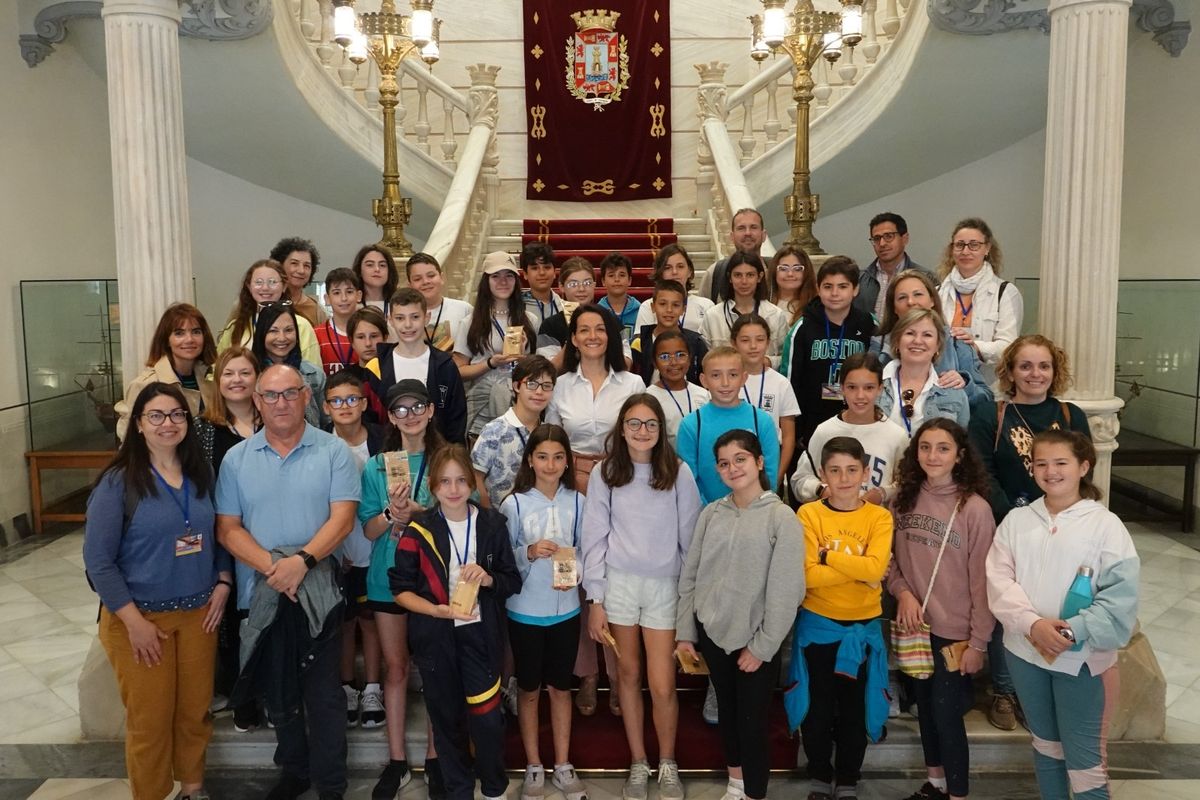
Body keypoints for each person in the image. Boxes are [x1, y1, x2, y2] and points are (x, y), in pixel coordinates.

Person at [216, 364, 360, 800]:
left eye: (290, 393)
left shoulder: (334, 452)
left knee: (324, 695)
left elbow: (343, 518)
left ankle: (332, 782)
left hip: (320, 592)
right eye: (271, 395)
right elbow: (227, 526)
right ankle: (295, 771)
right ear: (257, 402)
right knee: (279, 693)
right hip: (263, 591)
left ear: (306, 398)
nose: (281, 403)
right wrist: (275, 568)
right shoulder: (236, 459)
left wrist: (303, 560)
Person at [84, 382, 231, 800]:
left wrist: (223, 581)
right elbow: (98, 562)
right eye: (157, 416)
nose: (168, 423)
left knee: (193, 713)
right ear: (139, 425)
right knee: (149, 722)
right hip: (140, 623)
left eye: (177, 414)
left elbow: (219, 535)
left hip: (199, 615)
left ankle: (193, 788)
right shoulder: (118, 482)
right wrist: (133, 621)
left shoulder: (200, 475)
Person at [986, 430, 1139, 800]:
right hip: (1025, 654)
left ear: (1083, 466)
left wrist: (1069, 633)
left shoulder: (1106, 526)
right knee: (1046, 747)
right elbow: (998, 579)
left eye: (1061, 463)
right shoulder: (1018, 521)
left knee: (1085, 765)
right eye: (1041, 463)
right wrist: (1032, 625)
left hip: (1082, 663)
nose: (1050, 471)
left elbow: (1120, 601)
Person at [968, 334, 1091, 731]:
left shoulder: (1071, 416)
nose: (1035, 374)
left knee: (1052, 603)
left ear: (1054, 371)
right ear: (1010, 371)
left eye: (1043, 366)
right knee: (1012, 607)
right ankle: (1006, 690)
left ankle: (1045, 683)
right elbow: (981, 470)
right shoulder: (993, 413)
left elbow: (1081, 470)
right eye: (1026, 366)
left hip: (1063, 526)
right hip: (1010, 526)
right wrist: (1020, 516)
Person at [582, 393, 701, 800]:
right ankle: (638, 761)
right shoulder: (605, 473)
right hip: (619, 585)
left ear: (660, 430)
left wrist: (688, 599)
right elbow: (594, 538)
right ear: (621, 427)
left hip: (664, 587)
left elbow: (690, 539)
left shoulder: (679, 472)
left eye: (650, 423)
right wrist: (595, 599)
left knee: (663, 682)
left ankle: (667, 762)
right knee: (628, 675)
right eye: (634, 423)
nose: (642, 431)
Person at [676, 430, 805, 800]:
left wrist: (762, 647)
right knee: (727, 715)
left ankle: (755, 792)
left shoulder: (781, 518)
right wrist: (687, 631)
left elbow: (786, 591)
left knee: (752, 722)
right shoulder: (711, 514)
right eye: (723, 463)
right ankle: (736, 785)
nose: (732, 468)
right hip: (714, 633)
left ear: (759, 461)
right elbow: (691, 576)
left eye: (740, 459)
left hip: (755, 641)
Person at [389, 445, 521, 800]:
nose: (453, 489)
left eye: (461, 480)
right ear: (433, 487)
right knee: (446, 722)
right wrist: (435, 610)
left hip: (481, 636)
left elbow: (512, 582)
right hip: (436, 638)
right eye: (445, 481)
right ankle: (458, 790)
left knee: (488, 720)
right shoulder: (418, 530)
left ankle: (494, 789)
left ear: (472, 484)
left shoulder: (493, 524)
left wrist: (489, 578)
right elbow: (400, 590)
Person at [890, 419, 996, 800]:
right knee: (925, 711)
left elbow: (984, 583)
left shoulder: (975, 509)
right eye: (925, 447)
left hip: (955, 631)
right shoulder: (901, 498)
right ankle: (935, 783)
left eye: (943, 448)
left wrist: (979, 642)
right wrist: (902, 592)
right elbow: (888, 561)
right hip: (915, 627)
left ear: (960, 455)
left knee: (947, 716)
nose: (932, 455)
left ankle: (958, 794)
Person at [789, 437, 893, 800]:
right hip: (819, 628)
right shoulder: (809, 514)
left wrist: (827, 557)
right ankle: (819, 774)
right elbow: (807, 576)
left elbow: (877, 569)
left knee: (853, 712)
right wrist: (858, 569)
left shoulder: (879, 517)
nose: (844, 478)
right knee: (816, 711)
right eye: (835, 470)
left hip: (862, 631)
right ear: (822, 474)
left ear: (866, 473)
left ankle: (848, 778)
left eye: (852, 470)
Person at [360, 380, 447, 799]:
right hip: (387, 574)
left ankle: (434, 756)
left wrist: (422, 512)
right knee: (395, 669)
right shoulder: (377, 464)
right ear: (390, 416)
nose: (409, 415)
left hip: (432, 578)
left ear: (430, 411)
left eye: (417, 407)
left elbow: (460, 515)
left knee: (431, 670)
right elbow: (367, 528)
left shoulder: (446, 460)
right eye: (400, 409)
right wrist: (392, 516)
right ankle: (396, 760)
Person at [501, 424, 589, 800]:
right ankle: (534, 764)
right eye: (542, 457)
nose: (550, 465)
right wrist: (529, 552)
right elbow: (503, 560)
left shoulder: (578, 501)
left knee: (561, 687)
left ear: (567, 460)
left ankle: (563, 763)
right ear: (529, 460)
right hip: (524, 610)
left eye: (557, 457)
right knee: (530, 688)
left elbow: (588, 548)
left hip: (566, 610)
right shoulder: (515, 503)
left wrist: (577, 571)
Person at [195, 346, 261, 731]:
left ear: (257, 378)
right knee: (235, 620)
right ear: (218, 383)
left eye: (244, 373)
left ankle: (273, 690)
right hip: (226, 539)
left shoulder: (276, 418)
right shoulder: (205, 430)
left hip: (272, 535)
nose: (236, 380)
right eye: (228, 374)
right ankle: (243, 695)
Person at [321, 371, 387, 734]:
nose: (345, 407)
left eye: (352, 399)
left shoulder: (382, 441)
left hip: (376, 545)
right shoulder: (317, 444)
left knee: (371, 619)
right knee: (344, 621)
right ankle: (347, 687)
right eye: (336, 401)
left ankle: (373, 688)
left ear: (363, 404)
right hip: (336, 548)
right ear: (326, 407)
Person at [546, 304, 647, 493]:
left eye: (600, 329)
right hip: (569, 479)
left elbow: (642, 439)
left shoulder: (633, 384)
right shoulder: (559, 386)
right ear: (574, 339)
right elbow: (552, 441)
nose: (593, 336)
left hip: (621, 474)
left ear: (609, 336)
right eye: (584, 330)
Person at [791, 352, 908, 505]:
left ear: (880, 389)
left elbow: (906, 483)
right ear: (842, 389)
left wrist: (883, 493)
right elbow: (800, 479)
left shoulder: (896, 435)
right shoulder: (824, 431)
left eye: (869, 388)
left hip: (876, 525)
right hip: (831, 524)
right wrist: (821, 490)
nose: (860, 395)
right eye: (852, 387)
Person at [784, 256, 875, 443]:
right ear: (818, 288)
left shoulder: (869, 324)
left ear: (855, 289)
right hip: (813, 421)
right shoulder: (803, 327)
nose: (834, 293)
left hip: (859, 418)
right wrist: (797, 427)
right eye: (828, 286)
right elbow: (790, 380)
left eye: (842, 286)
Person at [365, 287, 468, 445]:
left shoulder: (444, 365)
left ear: (426, 318)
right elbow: (371, 421)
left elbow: (456, 418)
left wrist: (451, 456)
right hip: (391, 455)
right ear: (390, 320)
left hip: (437, 453)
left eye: (415, 317)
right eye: (400, 318)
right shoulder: (376, 367)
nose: (408, 325)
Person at [872, 269, 991, 406]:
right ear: (894, 308)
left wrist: (965, 383)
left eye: (918, 294)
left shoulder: (956, 342)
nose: (911, 302)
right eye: (902, 297)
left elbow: (986, 398)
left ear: (932, 300)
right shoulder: (879, 343)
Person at [678, 346, 780, 504]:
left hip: (755, 514)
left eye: (732, 375)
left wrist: (756, 508)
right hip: (708, 516)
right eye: (716, 375)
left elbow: (770, 474)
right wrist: (711, 513)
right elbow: (688, 480)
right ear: (704, 381)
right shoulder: (691, 425)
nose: (725, 383)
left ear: (744, 378)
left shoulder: (762, 421)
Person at [454, 251, 537, 437]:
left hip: (521, 402)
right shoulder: (470, 322)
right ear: (486, 281)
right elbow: (458, 370)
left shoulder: (530, 320)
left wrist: (524, 359)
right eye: (495, 276)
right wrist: (490, 363)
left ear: (516, 281)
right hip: (482, 405)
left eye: (509, 276)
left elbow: (535, 369)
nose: (503, 282)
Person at [936, 218, 1023, 390]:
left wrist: (976, 347)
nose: (966, 251)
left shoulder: (1005, 292)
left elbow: (1010, 348)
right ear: (952, 250)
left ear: (987, 248)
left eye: (974, 245)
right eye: (960, 245)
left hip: (988, 387)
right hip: (943, 387)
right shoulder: (936, 293)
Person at [115, 302, 218, 442]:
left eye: (196, 332)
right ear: (167, 340)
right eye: (179, 333)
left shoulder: (212, 380)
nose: (189, 339)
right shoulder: (144, 384)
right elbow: (129, 439)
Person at [472, 355, 557, 508]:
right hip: (499, 520)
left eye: (546, 386)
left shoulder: (549, 433)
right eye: (531, 384)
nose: (539, 391)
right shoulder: (494, 430)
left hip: (537, 519)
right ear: (517, 386)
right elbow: (476, 477)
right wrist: (490, 517)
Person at [732, 314, 800, 488]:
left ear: (768, 342)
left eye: (760, 339)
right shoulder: (728, 381)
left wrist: (777, 477)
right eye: (745, 340)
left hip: (770, 463)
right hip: (734, 463)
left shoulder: (781, 383)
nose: (753, 346)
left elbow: (788, 436)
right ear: (734, 343)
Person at [877, 308, 970, 434]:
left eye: (927, 335)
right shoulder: (872, 385)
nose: (918, 341)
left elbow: (959, 444)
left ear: (938, 345)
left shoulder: (954, 394)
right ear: (897, 341)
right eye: (910, 333)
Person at [217, 259, 321, 365]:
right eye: (259, 282)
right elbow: (217, 368)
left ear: (284, 286)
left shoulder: (301, 326)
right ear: (249, 286)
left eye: (272, 282)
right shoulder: (236, 326)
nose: (265, 288)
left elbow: (313, 374)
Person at [700, 251, 788, 363]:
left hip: (764, 377)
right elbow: (704, 357)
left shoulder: (775, 315)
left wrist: (767, 361)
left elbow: (786, 356)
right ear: (729, 277)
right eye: (738, 275)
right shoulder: (713, 316)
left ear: (760, 277)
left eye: (750, 275)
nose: (744, 281)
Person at [251, 302, 328, 428]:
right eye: (273, 331)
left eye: (288, 330)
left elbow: (326, 422)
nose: (282, 338)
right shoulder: (250, 375)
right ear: (261, 334)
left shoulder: (314, 374)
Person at [854, 212, 935, 320]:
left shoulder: (926, 278)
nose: (882, 243)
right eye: (877, 238)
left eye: (889, 236)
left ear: (905, 238)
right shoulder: (859, 278)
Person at [631, 279, 708, 387]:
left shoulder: (696, 343)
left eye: (675, 305)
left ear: (683, 310)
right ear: (653, 307)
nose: (669, 310)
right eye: (663, 304)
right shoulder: (639, 343)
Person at [644, 330, 710, 447]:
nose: (674, 362)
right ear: (655, 363)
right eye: (665, 357)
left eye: (680, 355)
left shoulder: (703, 394)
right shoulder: (649, 398)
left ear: (690, 358)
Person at [634, 243, 714, 333]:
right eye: (668, 268)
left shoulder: (706, 306)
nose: (674, 272)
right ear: (660, 273)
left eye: (680, 266)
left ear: (690, 272)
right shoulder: (647, 307)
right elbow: (642, 344)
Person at [406, 252, 474, 352]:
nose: (425, 282)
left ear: (442, 278)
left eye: (431, 276)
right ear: (410, 285)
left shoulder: (464, 309)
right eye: (417, 279)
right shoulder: (403, 316)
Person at [535, 256, 599, 359]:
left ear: (594, 285)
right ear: (561, 287)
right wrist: (572, 342)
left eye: (587, 283)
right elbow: (548, 368)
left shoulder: (608, 320)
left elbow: (624, 363)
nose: (581, 289)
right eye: (573, 284)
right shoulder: (550, 326)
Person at [700, 208, 767, 303]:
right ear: (732, 236)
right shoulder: (715, 273)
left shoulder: (776, 273)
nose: (747, 233)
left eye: (753, 227)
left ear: (763, 235)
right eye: (741, 228)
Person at [315, 267, 363, 376]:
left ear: (359, 296)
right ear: (327, 298)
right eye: (336, 293)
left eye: (349, 292)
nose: (344, 298)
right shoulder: (316, 334)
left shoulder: (368, 334)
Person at [271, 236, 327, 326]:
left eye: (307, 266)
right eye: (294, 263)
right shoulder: (267, 302)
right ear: (280, 265)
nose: (301, 270)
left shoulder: (317, 310)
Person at [769, 244, 818, 332]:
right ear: (774, 271)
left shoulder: (816, 306)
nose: (790, 274)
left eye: (797, 269)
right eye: (783, 269)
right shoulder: (764, 303)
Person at [597, 252, 641, 344]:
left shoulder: (640, 310)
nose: (617, 279)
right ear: (603, 281)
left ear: (629, 280)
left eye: (622, 275)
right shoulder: (598, 312)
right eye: (611, 275)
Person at [521, 241, 561, 331]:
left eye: (547, 267)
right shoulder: (516, 308)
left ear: (555, 272)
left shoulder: (565, 308)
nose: (542, 273)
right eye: (535, 268)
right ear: (525, 274)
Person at [353, 245, 400, 320]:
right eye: (370, 265)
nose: (377, 269)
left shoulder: (399, 306)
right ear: (359, 271)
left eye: (382, 265)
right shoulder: (351, 307)